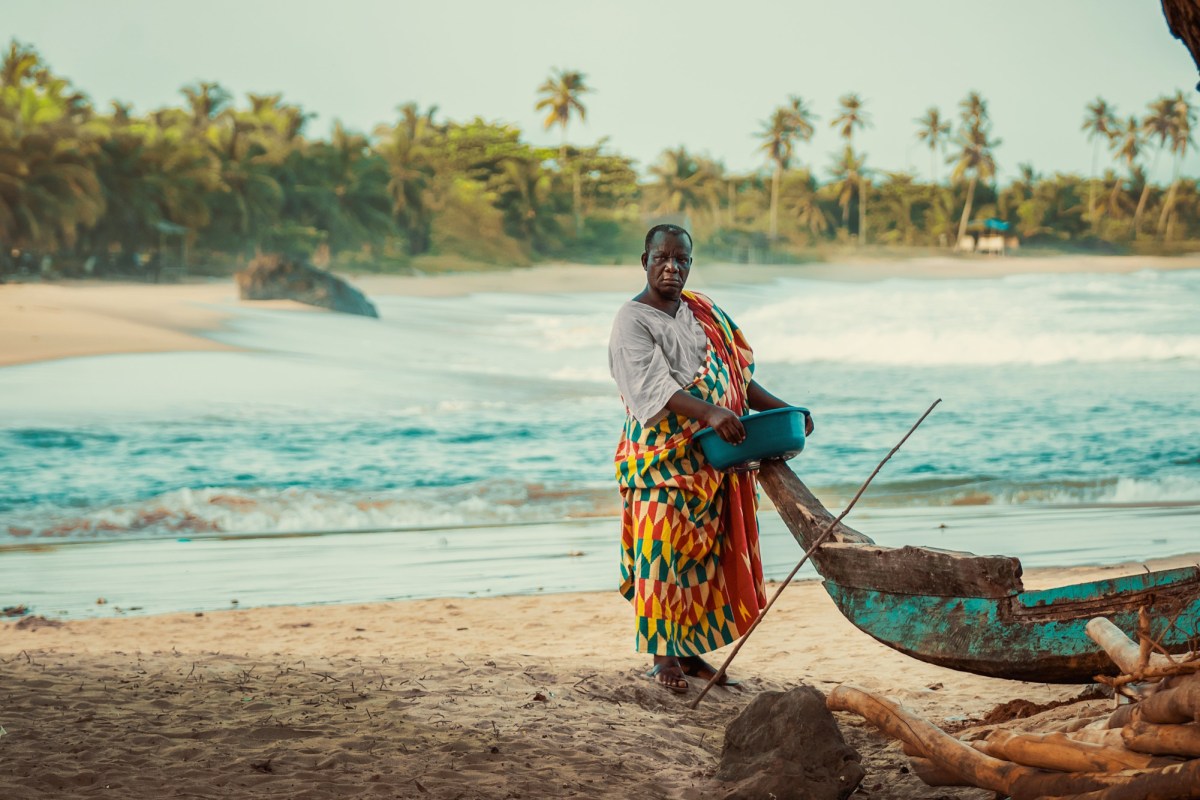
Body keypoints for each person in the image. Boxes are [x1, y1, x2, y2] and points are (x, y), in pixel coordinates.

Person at [607, 224, 813, 693]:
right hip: (661, 462)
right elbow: (649, 388)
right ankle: (663, 660)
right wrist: (710, 412)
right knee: (660, 552)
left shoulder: (703, 310)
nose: (671, 268)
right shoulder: (632, 320)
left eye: (681, 260)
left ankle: (688, 651)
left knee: (700, 559)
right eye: (662, 258)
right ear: (645, 261)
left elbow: (738, 379)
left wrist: (785, 411)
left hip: (713, 459)